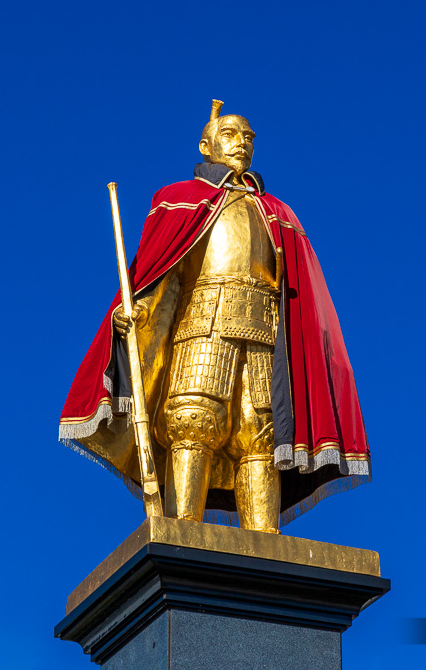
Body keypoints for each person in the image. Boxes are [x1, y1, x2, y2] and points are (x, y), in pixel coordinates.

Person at [59, 101, 370, 533]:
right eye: (230, 134)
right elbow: (164, 276)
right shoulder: (179, 201)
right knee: (193, 419)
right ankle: (183, 527)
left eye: (248, 137)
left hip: (264, 330)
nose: (241, 143)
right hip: (204, 324)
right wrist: (139, 312)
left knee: (259, 432)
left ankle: (264, 536)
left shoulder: (278, 213)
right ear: (206, 145)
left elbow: (298, 290)